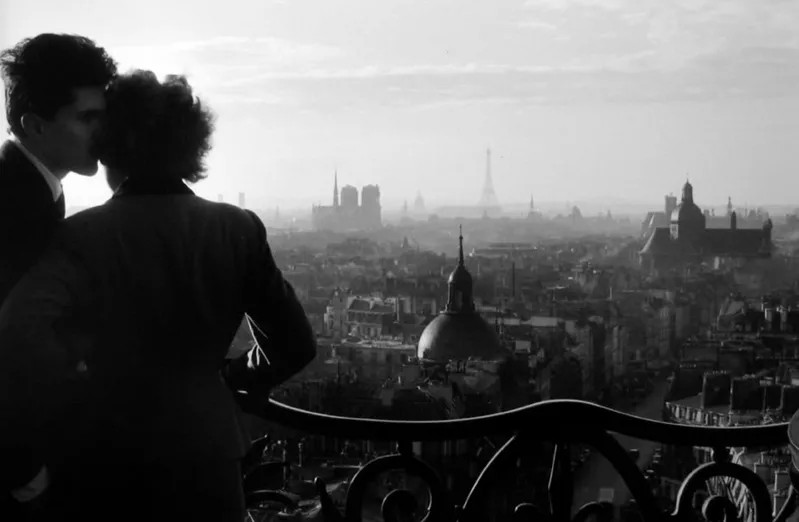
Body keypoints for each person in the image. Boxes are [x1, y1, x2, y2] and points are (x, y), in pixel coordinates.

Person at [0, 70, 317, 521]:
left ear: (111, 149)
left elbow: (18, 329)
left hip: (103, 457)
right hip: (207, 455)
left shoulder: (81, 235)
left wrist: (79, 377)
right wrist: (233, 374)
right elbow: (295, 345)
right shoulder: (237, 228)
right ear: (189, 149)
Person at [0, 33, 116, 518]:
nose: (104, 132)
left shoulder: (33, 189)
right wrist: (25, 473)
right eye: (88, 118)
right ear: (35, 125)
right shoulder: (15, 205)